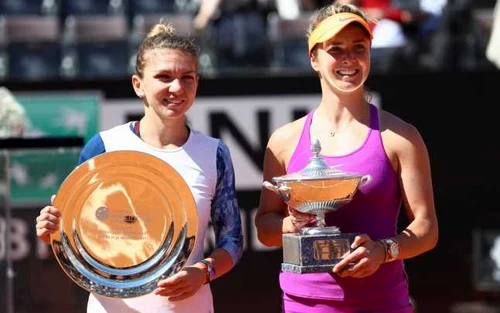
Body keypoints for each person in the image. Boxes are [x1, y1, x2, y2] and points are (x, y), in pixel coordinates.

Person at [34, 21, 244, 313]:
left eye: (188, 77)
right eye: (164, 77)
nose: (177, 87)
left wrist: (204, 272)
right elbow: (74, 239)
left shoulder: (214, 153)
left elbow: (232, 241)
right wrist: (51, 233)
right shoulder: (103, 147)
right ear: (138, 84)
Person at [254, 3, 438, 313]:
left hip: (382, 302)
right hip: (306, 304)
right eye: (335, 49)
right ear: (314, 58)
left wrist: (384, 250)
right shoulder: (284, 141)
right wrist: (291, 224)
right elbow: (264, 227)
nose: (349, 59)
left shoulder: (401, 137)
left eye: (359, 47)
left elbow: (426, 229)